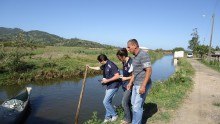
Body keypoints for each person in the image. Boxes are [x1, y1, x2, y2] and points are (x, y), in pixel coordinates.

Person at [87, 54, 120, 123]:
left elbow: (117, 76)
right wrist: (90, 67)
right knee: (108, 102)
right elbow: (98, 68)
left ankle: (114, 115)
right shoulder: (105, 65)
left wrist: (107, 80)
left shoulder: (111, 65)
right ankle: (107, 117)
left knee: (105, 102)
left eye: (99, 61)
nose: (99, 63)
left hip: (114, 86)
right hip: (109, 85)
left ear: (102, 60)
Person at [126, 39, 152, 124]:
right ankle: (135, 121)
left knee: (137, 107)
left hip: (142, 84)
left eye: (129, 47)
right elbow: (135, 72)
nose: (128, 49)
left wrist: (143, 86)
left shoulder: (143, 55)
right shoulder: (135, 57)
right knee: (134, 105)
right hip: (136, 84)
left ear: (134, 45)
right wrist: (130, 83)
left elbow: (149, 70)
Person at [116, 48, 133, 124]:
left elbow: (135, 75)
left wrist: (126, 78)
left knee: (124, 102)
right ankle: (130, 116)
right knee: (128, 102)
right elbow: (127, 73)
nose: (119, 60)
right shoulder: (124, 62)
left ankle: (128, 120)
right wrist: (122, 76)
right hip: (125, 84)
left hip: (130, 84)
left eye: (119, 58)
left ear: (123, 56)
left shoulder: (131, 62)